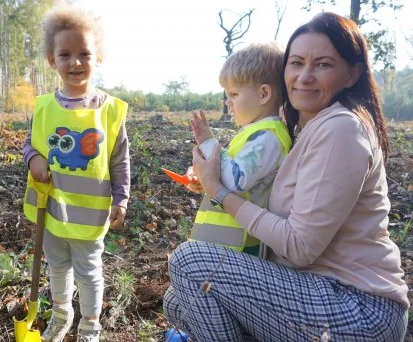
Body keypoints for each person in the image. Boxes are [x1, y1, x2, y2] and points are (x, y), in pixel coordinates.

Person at [164, 12, 409, 342]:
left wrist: (218, 191)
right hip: (317, 291)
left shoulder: (341, 128)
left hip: (357, 308)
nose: (304, 76)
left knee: (190, 263)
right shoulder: (306, 128)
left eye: (322, 64)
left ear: (351, 74)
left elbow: (299, 246)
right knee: (178, 301)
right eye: (296, 63)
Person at [22, 5, 130, 342]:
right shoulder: (43, 107)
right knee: (57, 266)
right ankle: (61, 314)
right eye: (65, 54)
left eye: (84, 53)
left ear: (98, 57)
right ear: (52, 61)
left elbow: (120, 160)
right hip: (51, 207)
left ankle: (90, 326)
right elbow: (30, 144)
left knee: (88, 271)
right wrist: (34, 159)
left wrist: (121, 198)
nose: (75, 62)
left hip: (90, 213)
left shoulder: (110, 110)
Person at [186, 42, 291, 257]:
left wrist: (208, 142)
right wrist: (203, 178)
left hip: (240, 249)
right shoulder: (256, 134)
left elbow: (237, 180)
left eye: (234, 94)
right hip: (223, 246)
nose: (228, 102)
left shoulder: (269, 136)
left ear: (264, 94)